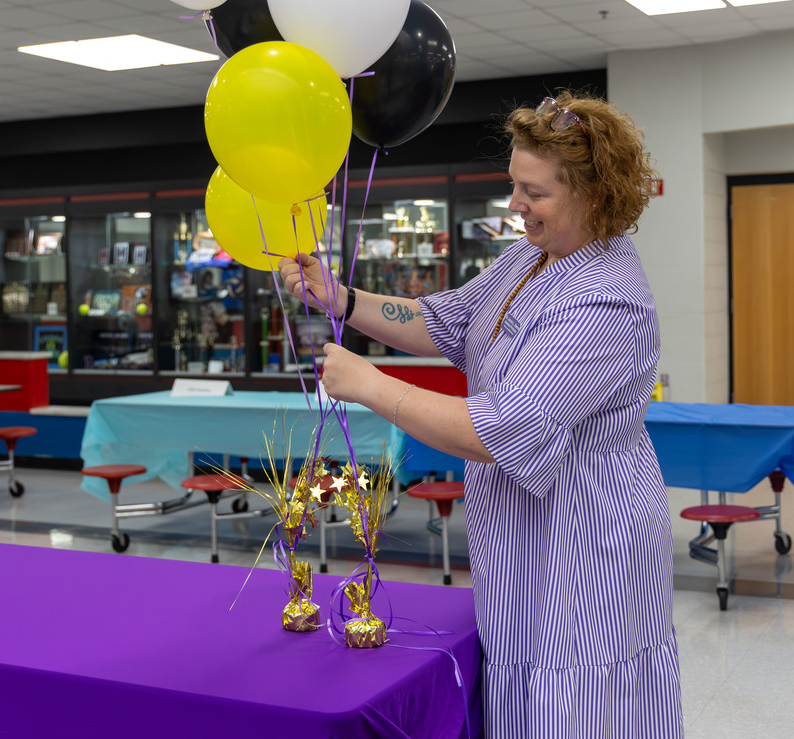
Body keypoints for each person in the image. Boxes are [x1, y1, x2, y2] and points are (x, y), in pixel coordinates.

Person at [278, 91, 684, 738]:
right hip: (524, 530)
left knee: (578, 693)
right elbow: (447, 320)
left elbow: (498, 429)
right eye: (514, 186)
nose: (517, 205)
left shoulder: (606, 302)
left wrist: (372, 385)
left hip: (582, 536)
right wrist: (344, 297)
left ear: (596, 196)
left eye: (535, 192)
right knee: (525, 683)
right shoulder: (530, 258)